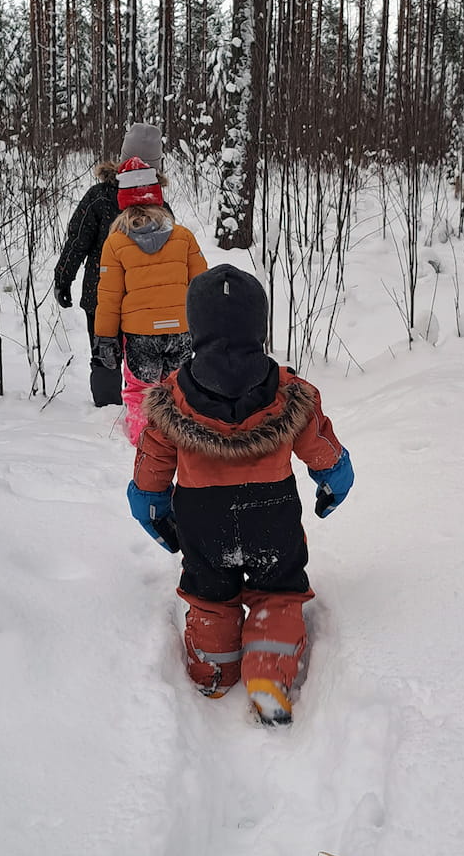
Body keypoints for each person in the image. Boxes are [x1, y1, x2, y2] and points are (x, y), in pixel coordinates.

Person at [125, 265, 354, 726]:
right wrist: (335, 479)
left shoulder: (173, 397)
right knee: (278, 592)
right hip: (271, 514)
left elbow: (152, 470)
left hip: (203, 520)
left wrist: (151, 506)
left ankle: (214, 665)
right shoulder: (291, 393)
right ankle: (269, 674)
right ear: (260, 326)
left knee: (210, 593)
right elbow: (323, 451)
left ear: (195, 327)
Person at [92, 157, 208, 444]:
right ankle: (177, 442)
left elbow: (109, 298)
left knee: (140, 392)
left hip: (140, 335)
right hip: (181, 332)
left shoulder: (116, 243)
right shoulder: (183, 237)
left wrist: (105, 338)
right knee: (178, 390)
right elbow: (202, 287)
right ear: (157, 198)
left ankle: (145, 444)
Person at [54, 122, 166, 407]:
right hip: (144, 301)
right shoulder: (159, 206)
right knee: (141, 355)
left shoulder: (99, 196)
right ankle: (137, 406)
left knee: (104, 351)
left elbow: (77, 240)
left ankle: (108, 409)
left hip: (100, 295)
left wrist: (63, 278)